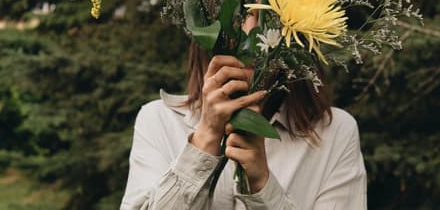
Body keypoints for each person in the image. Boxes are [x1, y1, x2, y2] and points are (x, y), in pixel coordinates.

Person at [120, 14, 367, 209]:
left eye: (265, 16)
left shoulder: (333, 132)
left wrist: (262, 185)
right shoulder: (159, 121)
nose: (250, 33)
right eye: (236, 12)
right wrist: (204, 140)